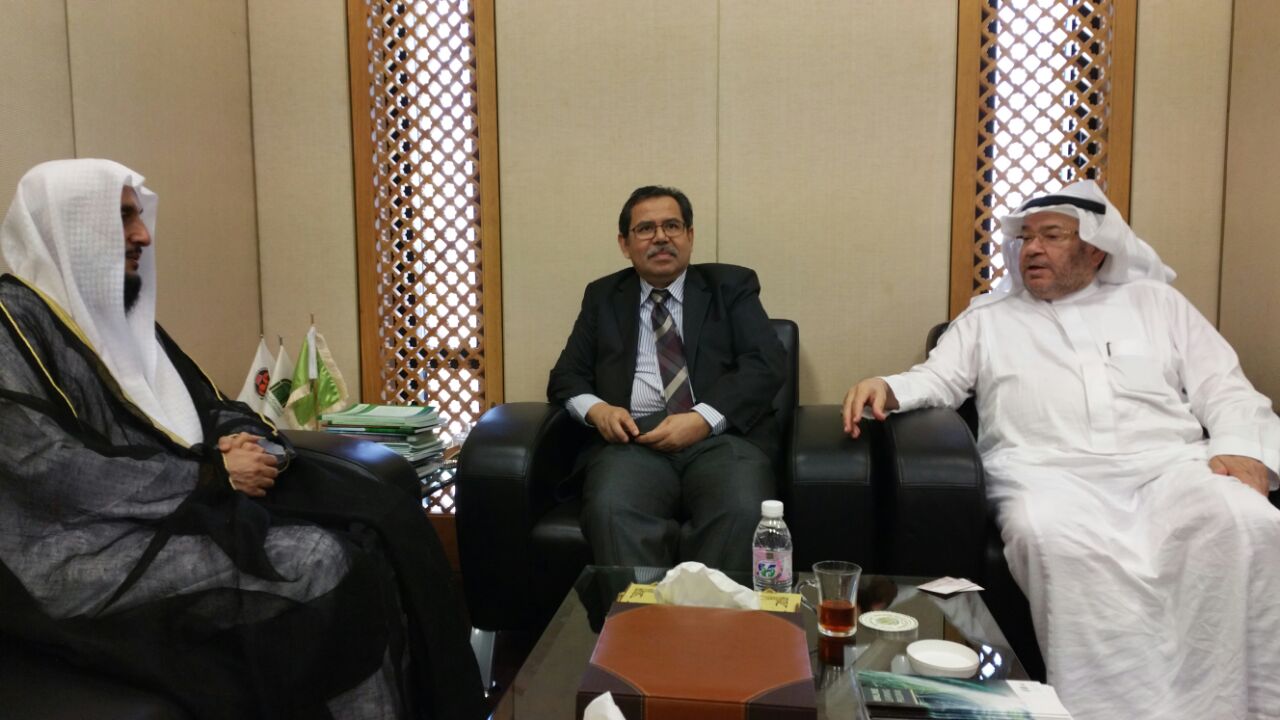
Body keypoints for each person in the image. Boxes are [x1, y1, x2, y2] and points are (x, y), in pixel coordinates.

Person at [0, 159, 484, 720]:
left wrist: (242, 441)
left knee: (376, 523)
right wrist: (210, 474)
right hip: (74, 551)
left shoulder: (111, 312)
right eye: (124, 218)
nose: (143, 235)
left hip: (168, 509)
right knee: (318, 559)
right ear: (69, 225)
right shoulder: (12, 324)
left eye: (139, 216)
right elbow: (46, 465)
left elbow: (209, 405)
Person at [841, 179, 1280, 720]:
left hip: (1168, 470)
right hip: (1046, 475)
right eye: (1026, 238)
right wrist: (886, 387)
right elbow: (938, 378)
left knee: (1247, 519)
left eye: (1051, 236)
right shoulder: (988, 318)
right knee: (1047, 534)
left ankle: (1239, 708)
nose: (1032, 249)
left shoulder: (1159, 304)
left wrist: (1242, 448)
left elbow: (1225, 387)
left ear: (1096, 248)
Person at [548, 185, 787, 573]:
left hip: (721, 439)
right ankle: (640, 613)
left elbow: (766, 363)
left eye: (672, 226)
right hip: (633, 443)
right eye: (646, 229)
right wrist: (598, 410)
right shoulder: (603, 296)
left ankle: (708, 614)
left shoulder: (731, 287)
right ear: (625, 244)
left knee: (742, 509)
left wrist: (702, 418)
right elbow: (566, 376)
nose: (661, 237)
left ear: (690, 236)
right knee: (611, 509)